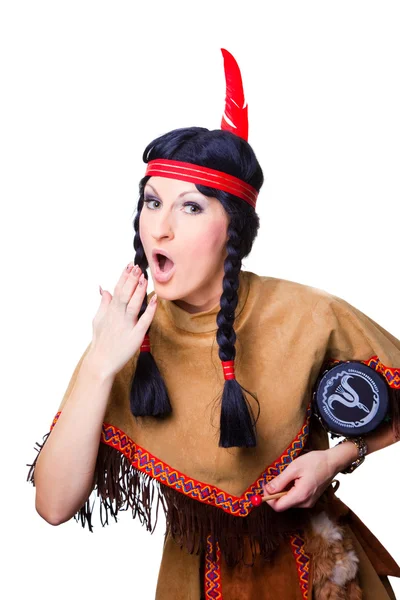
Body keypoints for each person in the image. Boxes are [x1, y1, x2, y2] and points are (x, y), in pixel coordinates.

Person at [26, 49, 400, 600]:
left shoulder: (308, 313)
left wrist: (337, 456)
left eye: (191, 208)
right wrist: (103, 362)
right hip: (195, 581)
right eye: (153, 203)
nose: (162, 229)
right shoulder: (128, 334)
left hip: (325, 574)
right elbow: (53, 505)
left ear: (235, 230)